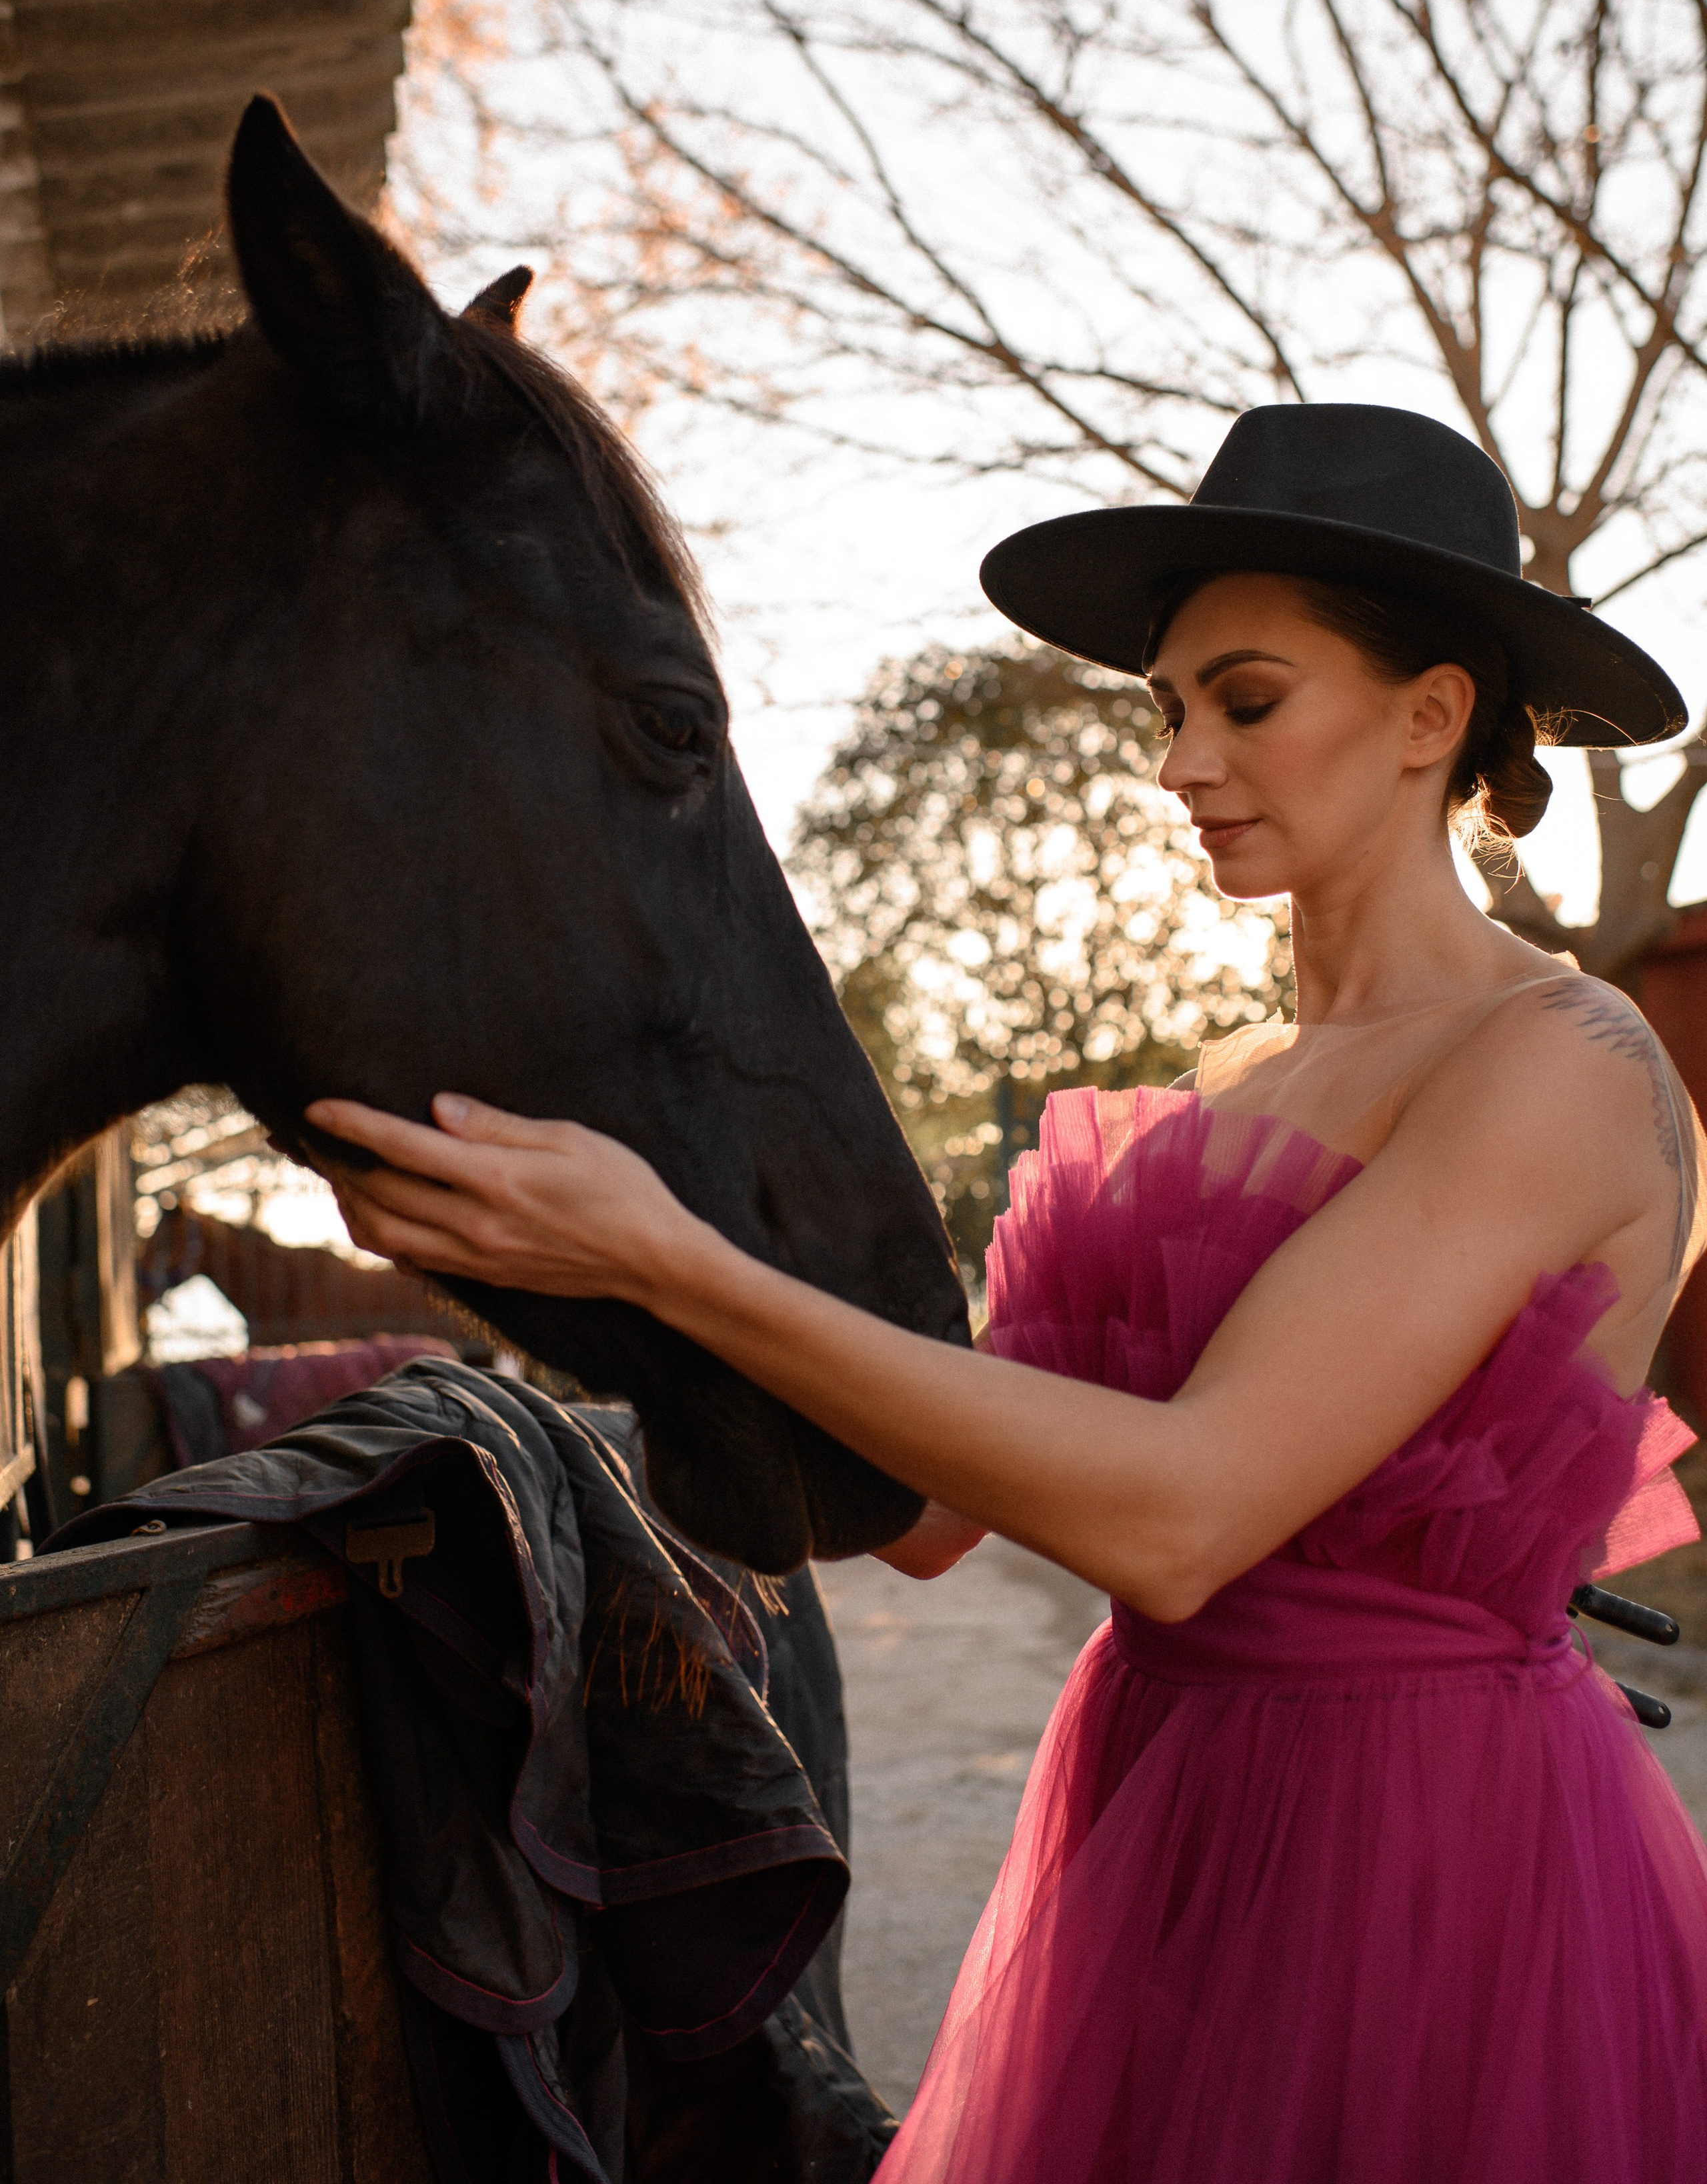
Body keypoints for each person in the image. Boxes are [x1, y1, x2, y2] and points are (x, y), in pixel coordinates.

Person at [309, 403, 1707, 2182]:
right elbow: (919, 1521)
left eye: (1248, 700)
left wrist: (672, 1253)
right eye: (1171, 708)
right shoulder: (1211, 1119)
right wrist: (553, 1259)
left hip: (1437, 1869)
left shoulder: (1556, 1060)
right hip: (1164, 1836)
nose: (1182, 758)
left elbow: (1186, 1516)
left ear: (1434, 715)